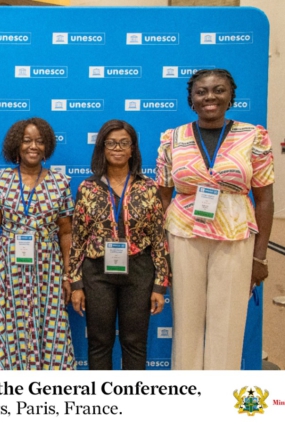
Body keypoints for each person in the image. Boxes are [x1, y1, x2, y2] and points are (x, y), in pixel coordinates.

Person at [156, 68, 274, 370]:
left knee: (229, 323)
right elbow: (162, 197)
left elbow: (265, 200)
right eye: (201, 91)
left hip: (235, 237)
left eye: (218, 90)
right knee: (186, 323)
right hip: (183, 235)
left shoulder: (253, 136)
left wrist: (259, 257)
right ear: (191, 99)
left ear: (230, 96)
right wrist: (161, 250)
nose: (210, 96)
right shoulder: (172, 138)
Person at [0, 117, 75, 370]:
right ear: (16, 144)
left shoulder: (61, 183)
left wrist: (67, 275)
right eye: (27, 140)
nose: (33, 146)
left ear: (47, 146)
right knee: (6, 329)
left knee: (48, 329)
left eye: (39, 141)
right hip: (7, 272)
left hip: (48, 272)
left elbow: (66, 233)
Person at [67, 119, 169, 370]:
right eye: (111, 143)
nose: (118, 148)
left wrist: (160, 285)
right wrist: (76, 282)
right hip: (97, 273)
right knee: (99, 342)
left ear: (133, 149)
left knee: (134, 342)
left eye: (124, 143)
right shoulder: (87, 188)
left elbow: (158, 239)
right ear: (102, 148)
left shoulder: (148, 187)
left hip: (139, 272)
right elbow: (78, 239)